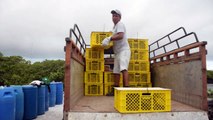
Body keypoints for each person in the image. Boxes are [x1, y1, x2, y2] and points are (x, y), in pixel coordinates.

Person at [102, 9, 131, 96]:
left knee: (123, 68)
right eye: (113, 16)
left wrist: (109, 38)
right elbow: (116, 38)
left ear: (119, 17)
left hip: (124, 50)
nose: (114, 17)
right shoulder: (114, 28)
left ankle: (126, 89)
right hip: (118, 52)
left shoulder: (120, 24)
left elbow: (121, 36)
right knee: (116, 71)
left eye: (116, 16)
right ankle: (115, 90)